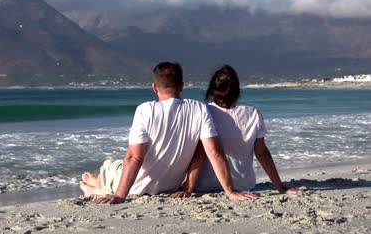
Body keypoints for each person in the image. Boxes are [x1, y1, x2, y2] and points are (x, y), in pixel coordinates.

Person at [80, 62, 257, 204]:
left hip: (137, 187)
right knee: (117, 167)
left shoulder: (145, 110)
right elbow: (213, 152)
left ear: (154, 87)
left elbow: (135, 158)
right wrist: (230, 191)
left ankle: (96, 186)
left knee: (110, 165)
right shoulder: (199, 109)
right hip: (171, 187)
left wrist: (120, 196)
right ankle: (94, 187)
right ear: (181, 86)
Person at [183, 65, 300, 194]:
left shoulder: (203, 112)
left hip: (205, 185)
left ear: (212, 90)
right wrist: (281, 187)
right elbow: (262, 153)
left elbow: (199, 155)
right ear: (237, 90)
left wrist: (188, 188)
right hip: (244, 184)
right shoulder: (253, 113)